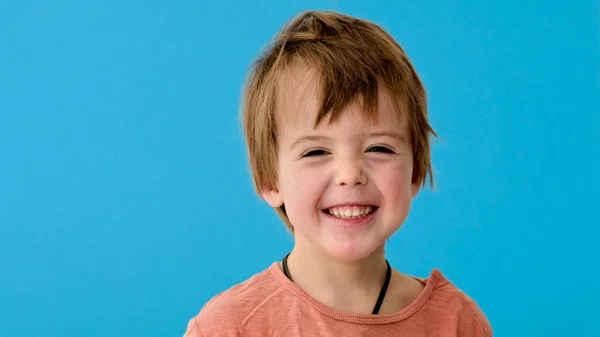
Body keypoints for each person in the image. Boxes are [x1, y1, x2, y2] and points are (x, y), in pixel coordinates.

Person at [183, 10, 492, 336]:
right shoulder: (227, 327)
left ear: (414, 171)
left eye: (379, 148)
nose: (350, 174)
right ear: (270, 179)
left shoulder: (456, 321)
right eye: (316, 151)